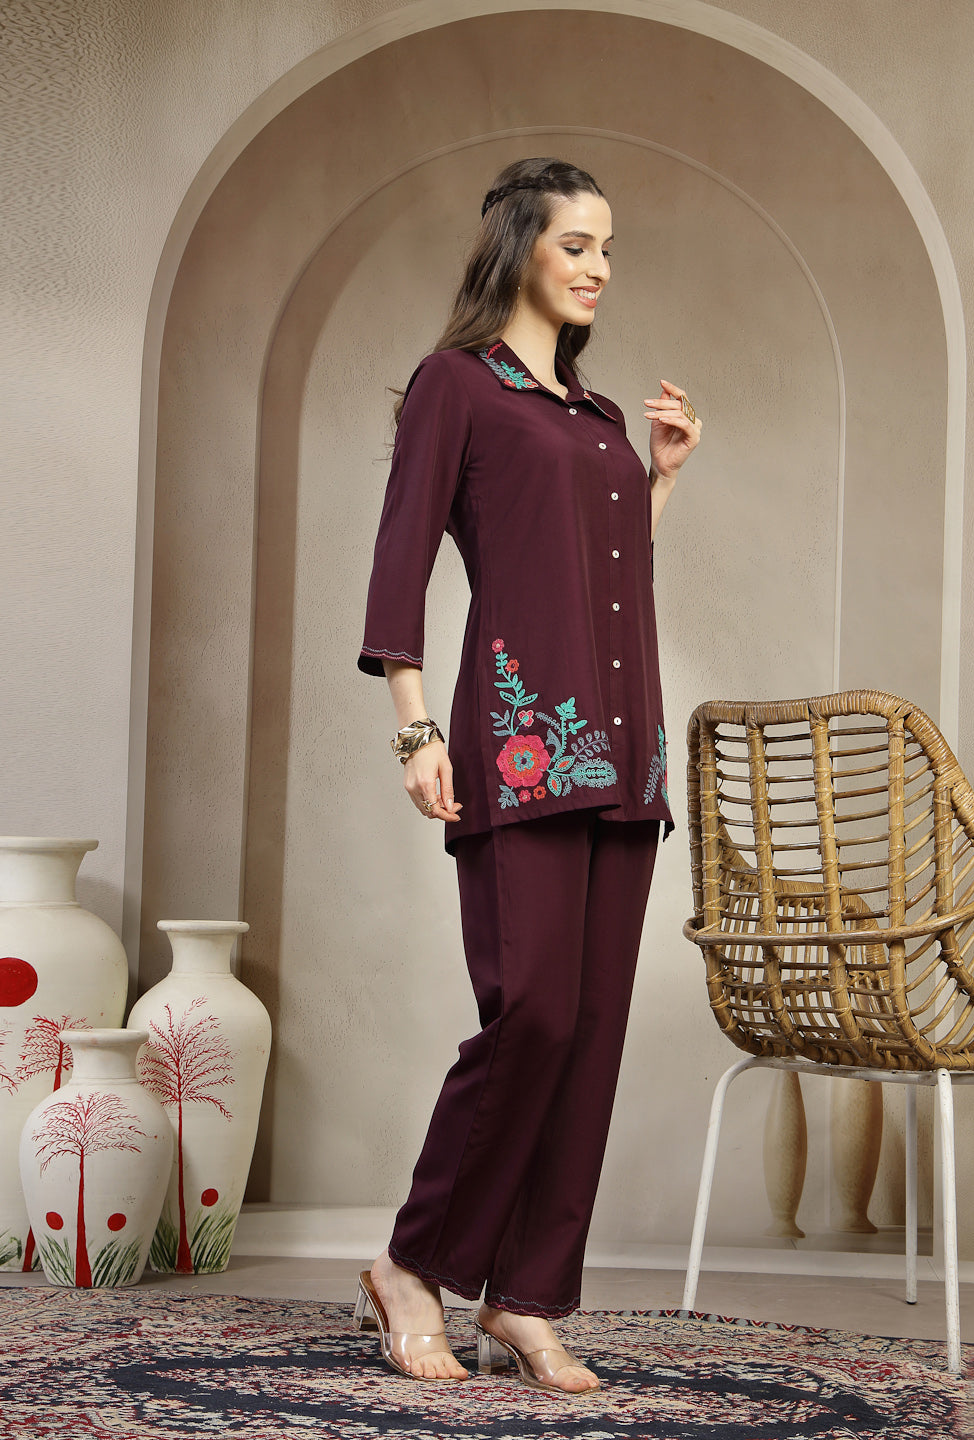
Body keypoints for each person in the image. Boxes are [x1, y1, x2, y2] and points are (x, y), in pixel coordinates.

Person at [354, 157, 701, 1393]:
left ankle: (527, 1298)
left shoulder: (599, 419)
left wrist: (659, 479)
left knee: (591, 1034)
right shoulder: (455, 386)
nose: (599, 268)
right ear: (520, 248)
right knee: (535, 1014)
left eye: (609, 248)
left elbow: (604, 574)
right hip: (522, 744)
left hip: (626, 750)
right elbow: (402, 562)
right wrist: (415, 732)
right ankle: (413, 1265)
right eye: (577, 244)